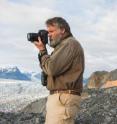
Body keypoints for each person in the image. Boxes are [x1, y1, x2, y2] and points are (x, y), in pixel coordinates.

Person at [34, 17, 85, 124]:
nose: (48, 35)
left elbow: (51, 69)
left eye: (51, 31)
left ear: (62, 30)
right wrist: (43, 52)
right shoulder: (63, 46)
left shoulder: (70, 44)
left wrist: (43, 51)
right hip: (60, 98)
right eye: (48, 32)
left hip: (63, 98)